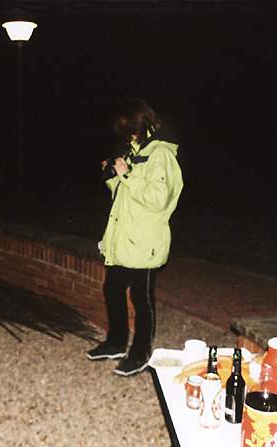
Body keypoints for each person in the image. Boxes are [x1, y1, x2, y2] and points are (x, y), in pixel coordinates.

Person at [85, 98, 184, 376]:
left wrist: (127, 175)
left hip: (145, 242)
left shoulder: (161, 154)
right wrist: (112, 176)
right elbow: (126, 193)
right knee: (112, 290)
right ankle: (116, 343)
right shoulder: (135, 151)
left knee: (142, 300)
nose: (127, 136)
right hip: (125, 239)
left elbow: (158, 199)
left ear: (140, 124)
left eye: (129, 130)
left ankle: (140, 354)